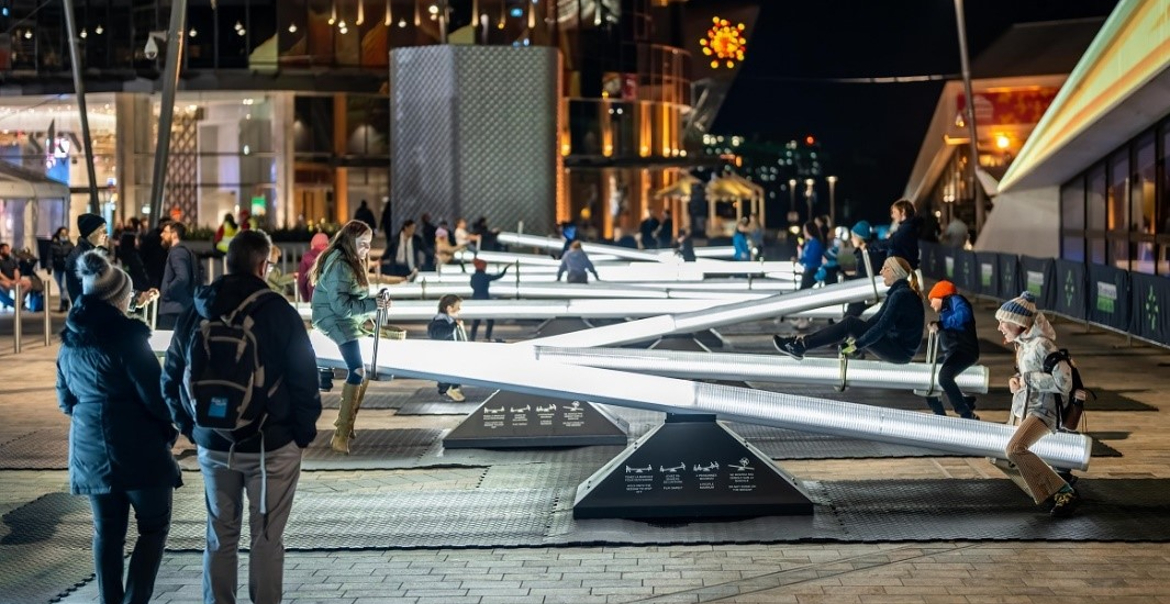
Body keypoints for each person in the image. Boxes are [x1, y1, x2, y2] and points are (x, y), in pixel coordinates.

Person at [162, 230, 323, 603]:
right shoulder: (279, 311)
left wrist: (191, 427)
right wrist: (302, 433)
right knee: (266, 537)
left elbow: (170, 376)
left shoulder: (197, 309)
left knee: (220, 534)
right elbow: (304, 377)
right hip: (272, 445)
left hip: (213, 444)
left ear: (227, 262)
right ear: (263, 265)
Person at [58, 251, 181, 604]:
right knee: (153, 528)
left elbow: (66, 401)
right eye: (126, 295)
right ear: (116, 298)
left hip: (90, 452)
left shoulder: (69, 342)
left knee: (107, 532)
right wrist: (169, 431)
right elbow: (155, 397)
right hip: (139, 452)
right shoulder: (128, 339)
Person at [995, 291, 1080, 517]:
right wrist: (1019, 383)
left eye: (1003, 322)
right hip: (1028, 407)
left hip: (1043, 411)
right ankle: (1054, 485)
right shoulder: (1023, 346)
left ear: (1018, 323)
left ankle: (1064, 490)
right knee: (1001, 454)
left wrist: (1027, 380)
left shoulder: (1041, 345)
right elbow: (1030, 376)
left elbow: (1064, 383)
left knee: (1014, 449)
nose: (999, 327)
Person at [310, 220, 391, 454]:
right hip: (334, 319)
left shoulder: (349, 259)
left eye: (369, 244)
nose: (367, 249)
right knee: (357, 370)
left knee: (362, 369)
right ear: (350, 241)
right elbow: (341, 308)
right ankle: (341, 434)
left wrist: (373, 304)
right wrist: (372, 304)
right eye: (363, 244)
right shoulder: (341, 265)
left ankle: (348, 423)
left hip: (342, 318)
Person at [773, 256, 925, 363]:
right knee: (852, 324)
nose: (881, 272)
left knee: (850, 323)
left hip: (899, 352)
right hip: (899, 348)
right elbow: (875, 321)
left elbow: (880, 327)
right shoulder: (900, 293)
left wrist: (856, 344)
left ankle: (801, 346)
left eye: (885, 268)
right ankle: (802, 345)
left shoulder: (901, 296)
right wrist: (855, 338)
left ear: (895, 272)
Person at [924, 280, 980, 420]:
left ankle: (965, 413)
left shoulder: (955, 299)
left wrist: (941, 325)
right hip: (954, 351)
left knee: (944, 377)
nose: (931, 304)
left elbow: (964, 315)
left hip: (964, 351)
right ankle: (958, 405)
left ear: (941, 296)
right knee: (928, 373)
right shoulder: (945, 309)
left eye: (932, 300)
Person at [158, 222, 199, 330]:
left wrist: (167, 291)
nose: (161, 235)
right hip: (179, 307)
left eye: (165, 232)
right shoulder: (183, 251)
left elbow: (183, 277)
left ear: (174, 234)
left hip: (173, 310)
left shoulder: (177, 252)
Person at [427, 294, 468, 401]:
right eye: (457, 307)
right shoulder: (440, 322)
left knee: (454, 372)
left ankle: (453, 389)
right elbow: (439, 335)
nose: (459, 309)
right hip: (445, 357)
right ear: (449, 308)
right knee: (448, 373)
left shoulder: (448, 321)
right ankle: (448, 390)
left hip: (450, 356)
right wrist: (454, 326)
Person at [65, 213, 109, 303]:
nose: (106, 233)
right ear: (90, 234)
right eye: (102, 230)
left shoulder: (90, 254)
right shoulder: (81, 258)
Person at [844, 221, 884, 319]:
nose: (851, 239)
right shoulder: (864, 251)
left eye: (853, 236)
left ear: (859, 237)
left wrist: (848, 279)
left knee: (848, 317)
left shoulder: (869, 253)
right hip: (865, 289)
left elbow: (865, 277)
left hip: (868, 291)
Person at [869, 199, 922, 270]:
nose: (892, 216)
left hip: (904, 271)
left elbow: (892, 243)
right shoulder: (906, 227)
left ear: (903, 211)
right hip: (902, 269)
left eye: (894, 212)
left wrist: (871, 245)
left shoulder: (907, 228)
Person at [469, 258, 508, 342]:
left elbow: (472, 286)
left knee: (476, 321)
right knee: (490, 321)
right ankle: (487, 337)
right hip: (485, 300)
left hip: (475, 299)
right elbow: (498, 276)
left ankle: (472, 338)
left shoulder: (473, 277)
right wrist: (505, 269)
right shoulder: (486, 277)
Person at [297, 232, 329, 303]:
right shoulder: (333, 256)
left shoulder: (306, 258)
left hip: (314, 297)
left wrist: (306, 298)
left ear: (312, 244)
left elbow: (302, 282)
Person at [50, 226, 75, 311]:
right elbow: (50, 257)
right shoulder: (54, 245)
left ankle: (65, 302)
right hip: (57, 268)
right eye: (62, 233)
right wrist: (49, 266)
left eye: (65, 233)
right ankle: (63, 303)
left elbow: (74, 256)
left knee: (64, 286)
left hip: (66, 268)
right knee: (60, 287)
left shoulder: (70, 245)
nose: (64, 235)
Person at [797, 221, 824, 291]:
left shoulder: (815, 243)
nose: (804, 232)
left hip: (812, 271)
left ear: (809, 230)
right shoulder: (809, 243)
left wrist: (800, 259)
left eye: (805, 230)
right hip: (808, 270)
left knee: (802, 290)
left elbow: (811, 258)